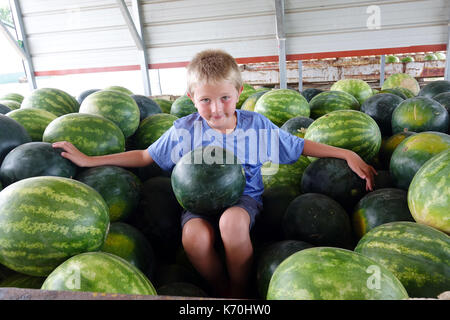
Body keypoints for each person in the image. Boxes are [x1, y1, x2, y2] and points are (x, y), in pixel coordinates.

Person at [53, 49, 377, 298]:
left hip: (243, 198)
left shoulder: (256, 126)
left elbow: (298, 146)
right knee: (194, 237)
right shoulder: (183, 130)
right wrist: (89, 160)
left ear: (239, 92)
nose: (216, 108)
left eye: (225, 98)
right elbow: (144, 155)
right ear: (192, 98)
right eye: (205, 100)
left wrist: (346, 152)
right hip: (196, 202)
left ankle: (239, 291)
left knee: (231, 223)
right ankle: (219, 288)